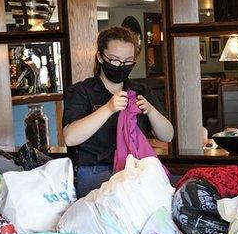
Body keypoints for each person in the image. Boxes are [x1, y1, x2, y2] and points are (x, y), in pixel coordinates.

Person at [63, 26, 174, 197]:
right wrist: (108, 108)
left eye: (128, 61)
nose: (121, 66)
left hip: (136, 171)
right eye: (115, 60)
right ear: (100, 57)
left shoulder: (140, 91)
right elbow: (70, 137)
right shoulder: (81, 92)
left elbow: (167, 135)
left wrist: (151, 111)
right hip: (96, 173)